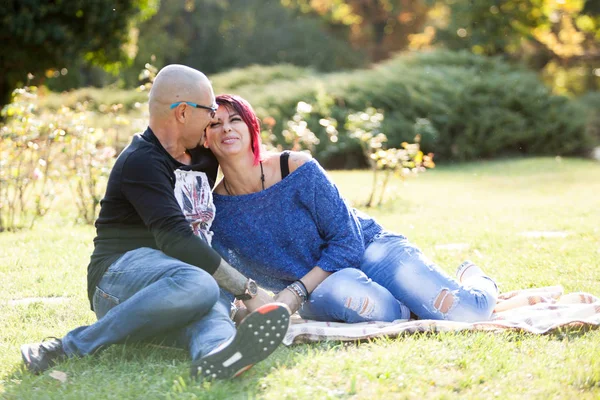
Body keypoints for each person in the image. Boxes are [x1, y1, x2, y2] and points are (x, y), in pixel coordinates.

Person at [20, 66, 290, 380]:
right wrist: (246, 289)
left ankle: (217, 356)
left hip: (183, 287)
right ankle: (67, 346)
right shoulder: (141, 161)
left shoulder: (203, 155)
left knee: (212, 298)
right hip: (119, 283)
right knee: (203, 283)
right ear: (184, 113)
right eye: (210, 111)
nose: (213, 119)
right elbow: (176, 240)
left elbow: (243, 160)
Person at [205, 94, 499, 324]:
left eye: (235, 119)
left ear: (250, 126)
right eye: (215, 124)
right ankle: (407, 305)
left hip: (370, 250)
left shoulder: (294, 167)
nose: (226, 128)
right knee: (376, 308)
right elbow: (229, 280)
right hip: (324, 288)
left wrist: (294, 293)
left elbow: (348, 239)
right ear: (204, 139)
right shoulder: (218, 212)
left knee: (468, 315)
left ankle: (476, 280)